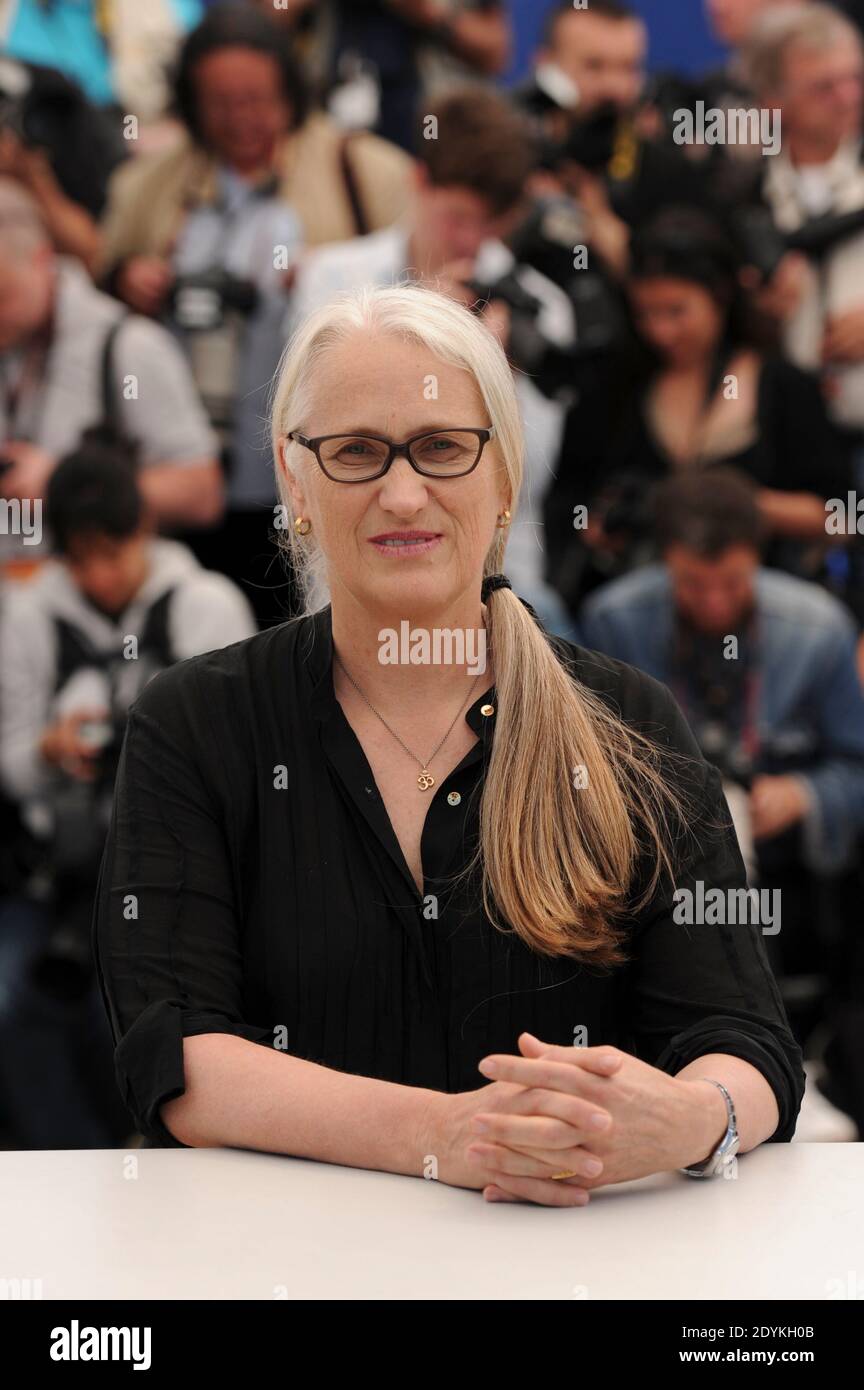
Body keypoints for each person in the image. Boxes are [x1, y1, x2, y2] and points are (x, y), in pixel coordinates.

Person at [95, 284, 803, 1204]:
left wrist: (690, 1121)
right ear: (294, 477)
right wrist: (446, 1137)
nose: (402, 492)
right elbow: (173, 1052)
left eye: (441, 447)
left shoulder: (630, 722)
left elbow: (745, 1041)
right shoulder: (193, 724)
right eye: (355, 451)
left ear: (503, 475)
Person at [96, 3, 413, 623]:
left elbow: (419, 281)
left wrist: (332, 274)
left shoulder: (366, 169)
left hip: (326, 462)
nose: (241, 119)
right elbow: (94, 296)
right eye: (221, 102)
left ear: (289, 92)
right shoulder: (147, 185)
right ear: (190, 100)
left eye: (257, 99)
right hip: (193, 471)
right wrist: (125, 279)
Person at [576, 468, 864, 1120]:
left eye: (731, 584)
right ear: (664, 563)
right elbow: (579, 760)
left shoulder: (818, 629)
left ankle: (759, 1071)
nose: (711, 603)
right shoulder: (614, 619)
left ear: (758, 559)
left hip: (783, 858)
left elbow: (856, 767)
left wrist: (805, 795)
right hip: (647, 854)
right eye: (691, 585)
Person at [0, 434, 255, 1148]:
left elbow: (239, 768)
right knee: (17, 1006)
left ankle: (161, 1158)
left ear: (143, 529)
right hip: (67, 873)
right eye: (81, 560)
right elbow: (12, 766)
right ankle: (80, 1164)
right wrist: (51, 752)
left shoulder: (205, 606)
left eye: (113, 553)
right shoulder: (30, 615)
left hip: (185, 873)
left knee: (164, 1012)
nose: (101, 577)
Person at [290, 86, 577, 638]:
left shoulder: (538, 305)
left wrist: (493, 367)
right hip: (352, 583)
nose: (470, 241)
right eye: (458, 216)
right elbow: (311, 438)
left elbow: (532, 476)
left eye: (490, 225)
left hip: (502, 588)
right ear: (419, 181)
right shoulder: (331, 279)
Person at [544, 207, 852, 613]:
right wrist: (601, 527)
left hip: (765, 602)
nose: (660, 331)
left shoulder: (783, 386)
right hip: (641, 607)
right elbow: (568, 501)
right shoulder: (615, 389)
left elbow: (840, 519)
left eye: (676, 311)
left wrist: (725, 505)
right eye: (644, 313)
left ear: (721, 297)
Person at [0, 177, 223, 572]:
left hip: (101, 613)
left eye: (3, 296)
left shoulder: (130, 346)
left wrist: (67, 485)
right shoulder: (15, 337)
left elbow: (202, 492)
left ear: (41, 259)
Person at [267, 0, 511, 153]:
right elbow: (269, 14)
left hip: (425, 127)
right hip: (321, 125)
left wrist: (431, 13)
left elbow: (494, 52)